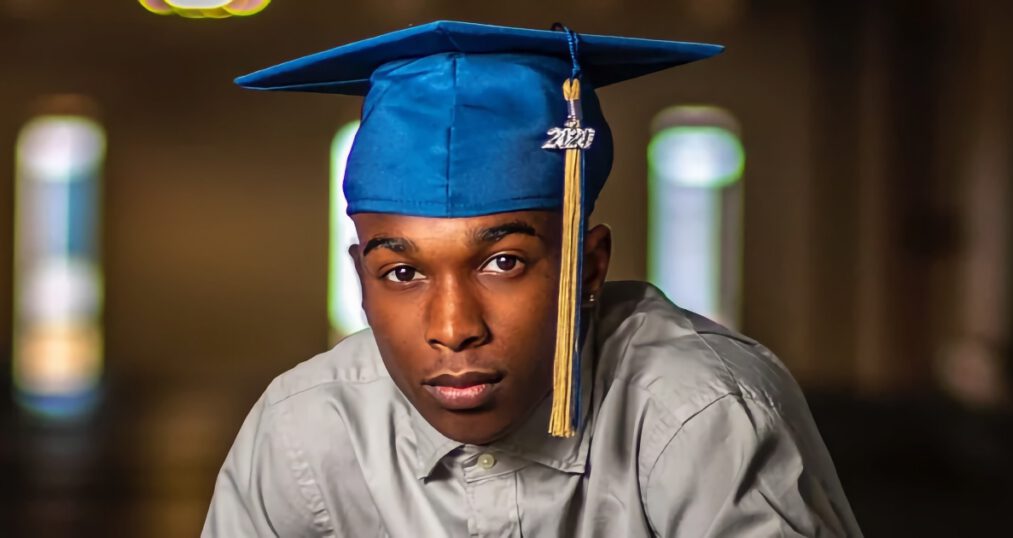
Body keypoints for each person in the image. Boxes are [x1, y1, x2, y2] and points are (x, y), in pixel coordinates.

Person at [203, 20, 861, 537]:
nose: (454, 328)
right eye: (401, 271)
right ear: (361, 279)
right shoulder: (305, 427)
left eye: (503, 263)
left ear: (591, 267)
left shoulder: (698, 416)